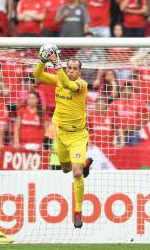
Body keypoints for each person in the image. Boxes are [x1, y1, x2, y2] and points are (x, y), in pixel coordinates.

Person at [34, 44, 94, 228]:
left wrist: (56, 64)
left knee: (76, 174)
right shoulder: (58, 79)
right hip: (61, 135)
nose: (71, 71)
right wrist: (43, 61)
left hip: (78, 136)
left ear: (80, 71)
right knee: (66, 169)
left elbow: (67, 84)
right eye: (69, 68)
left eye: (75, 69)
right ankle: (85, 163)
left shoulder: (81, 85)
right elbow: (37, 75)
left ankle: (77, 213)